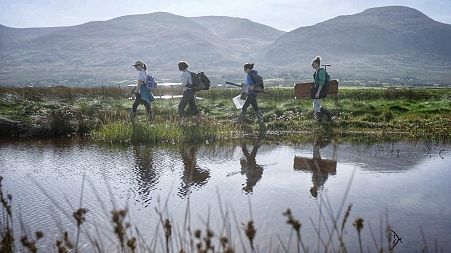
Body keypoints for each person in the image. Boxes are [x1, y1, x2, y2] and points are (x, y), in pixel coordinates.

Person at [311, 56, 333, 121]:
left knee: (316, 106)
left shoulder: (321, 72)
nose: (312, 65)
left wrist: (318, 92)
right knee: (316, 105)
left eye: (313, 64)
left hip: (321, 90)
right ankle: (328, 115)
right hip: (319, 90)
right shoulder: (317, 72)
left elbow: (321, 82)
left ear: (317, 64)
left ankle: (321, 119)